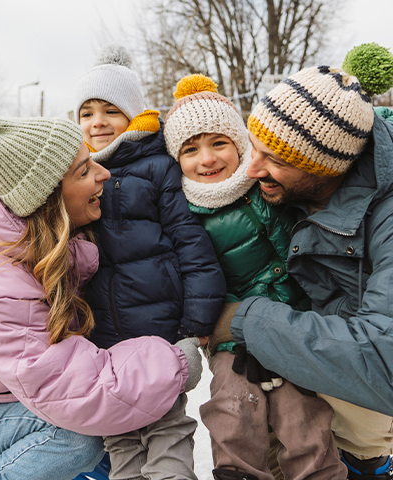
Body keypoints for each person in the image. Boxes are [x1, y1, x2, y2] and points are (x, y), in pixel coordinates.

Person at [0, 96, 203, 480]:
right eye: (84, 170)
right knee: (78, 441)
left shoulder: (56, 238)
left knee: (105, 451)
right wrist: (173, 362)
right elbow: (64, 385)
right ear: (50, 197)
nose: (103, 174)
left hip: (12, 386)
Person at [211, 43, 393, 479]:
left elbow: (385, 361)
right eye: (252, 148)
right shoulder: (283, 188)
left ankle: (365, 461)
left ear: (327, 167)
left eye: (273, 159)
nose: (251, 170)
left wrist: (245, 321)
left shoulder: (386, 218)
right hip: (294, 355)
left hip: (364, 392)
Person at [163, 74, 347, 480]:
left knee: (302, 414)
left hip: (292, 322)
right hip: (231, 333)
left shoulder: (266, 186)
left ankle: (319, 472)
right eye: (190, 150)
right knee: (231, 406)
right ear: (176, 160)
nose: (206, 159)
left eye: (218, 143)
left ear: (239, 143)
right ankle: (237, 472)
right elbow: (195, 280)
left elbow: (298, 255)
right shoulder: (182, 215)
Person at [72, 43, 226, 480]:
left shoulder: (158, 167)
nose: (97, 122)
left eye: (109, 110)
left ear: (133, 114)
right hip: (102, 338)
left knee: (166, 432)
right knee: (120, 442)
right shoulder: (70, 175)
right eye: (87, 113)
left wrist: (193, 329)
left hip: (160, 334)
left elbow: (193, 248)